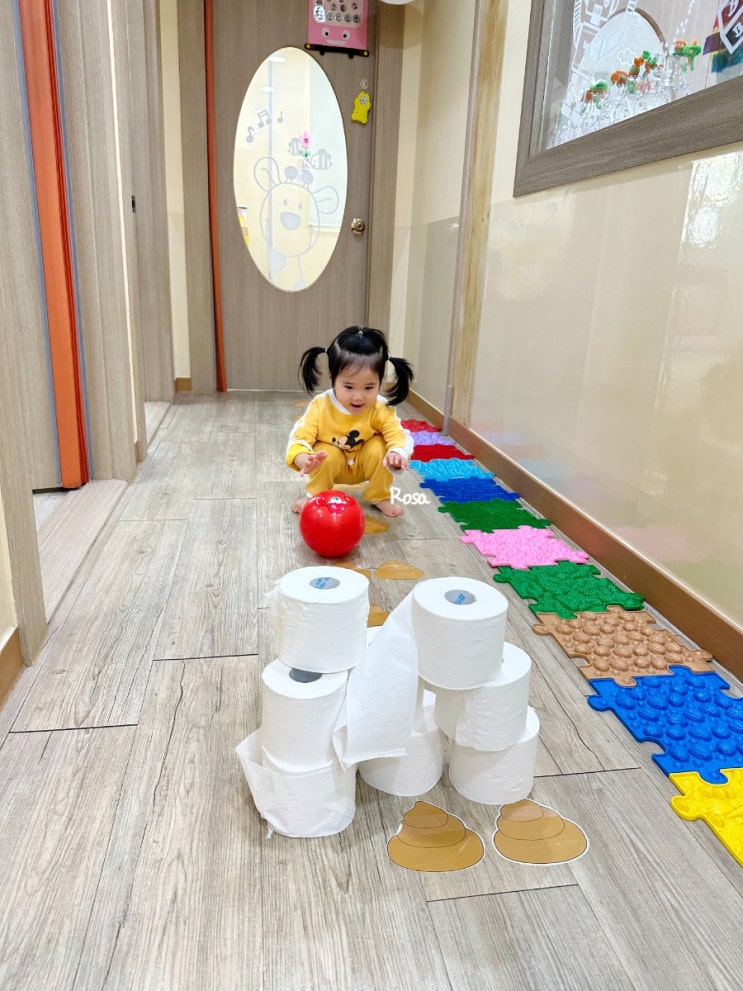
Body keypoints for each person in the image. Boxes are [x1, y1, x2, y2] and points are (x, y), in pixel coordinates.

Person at [286, 326, 414, 517]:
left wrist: (397, 454)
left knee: (381, 448)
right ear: (332, 377)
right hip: (331, 464)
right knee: (323, 453)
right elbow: (299, 438)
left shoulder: (380, 407)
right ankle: (315, 495)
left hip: (364, 464)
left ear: (380, 381)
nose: (358, 397)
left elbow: (399, 435)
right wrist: (305, 460)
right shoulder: (321, 405)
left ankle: (379, 496)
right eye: (348, 387)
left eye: (369, 387)